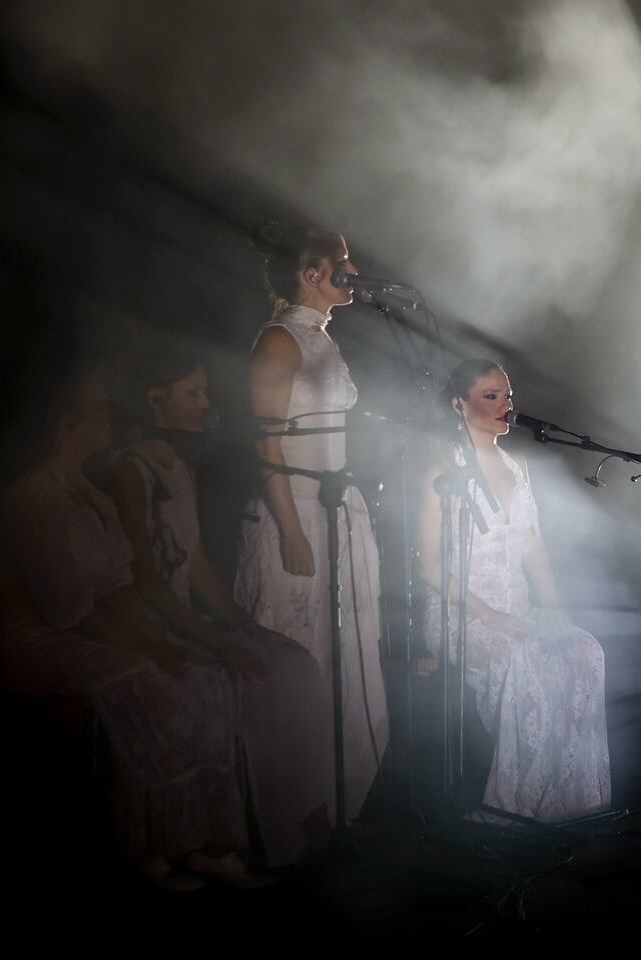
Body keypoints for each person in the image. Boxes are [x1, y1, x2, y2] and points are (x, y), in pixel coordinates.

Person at [0, 371, 250, 890]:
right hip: (39, 638)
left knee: (202, 672)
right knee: (148, 678)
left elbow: (119, 589)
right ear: (66, 424)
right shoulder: (34, 498)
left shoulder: (92, 494)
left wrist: (167, 640)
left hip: (91, 627)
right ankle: (149, 848)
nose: (110, 417)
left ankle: (198, 839)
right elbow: (68, 608)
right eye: (98, 411)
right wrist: (147, 648)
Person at [109, 349, 331, 865]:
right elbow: (146, 581)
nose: (206, 403)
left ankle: (302, 824)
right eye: (194, 393)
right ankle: (232, 839)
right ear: (154, 400)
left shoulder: (181, 467)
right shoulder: (130, 471)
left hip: (190, 617)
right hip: (153, 623)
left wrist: (247, 628)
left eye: (205, 392)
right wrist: (214, 642)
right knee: (245, 678)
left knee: (294, 663)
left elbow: (200, 570)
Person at [236, 223, 388, 821]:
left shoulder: (323, 338)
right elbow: (265, 443)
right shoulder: (279, 341)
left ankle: (336, 807)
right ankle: (291, 813)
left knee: (345, 652)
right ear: (311, 274)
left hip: (335, 506)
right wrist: (291, 531)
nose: (353, 270)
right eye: (342, 263)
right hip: (294, 511)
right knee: (302, 656)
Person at [417, 359, 611, 822]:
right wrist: (487, 614)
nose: (505, 405)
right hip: (461, 610)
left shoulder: (518, 465)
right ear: (458, 406)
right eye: (491, 396)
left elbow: (533, 546)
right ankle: (515, 807)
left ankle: (570, 800)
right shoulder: (442, 471)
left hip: (517, 608)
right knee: (528, 662)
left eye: (507, 395)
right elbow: (426, 564)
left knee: (583, 651)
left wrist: (555, 609)